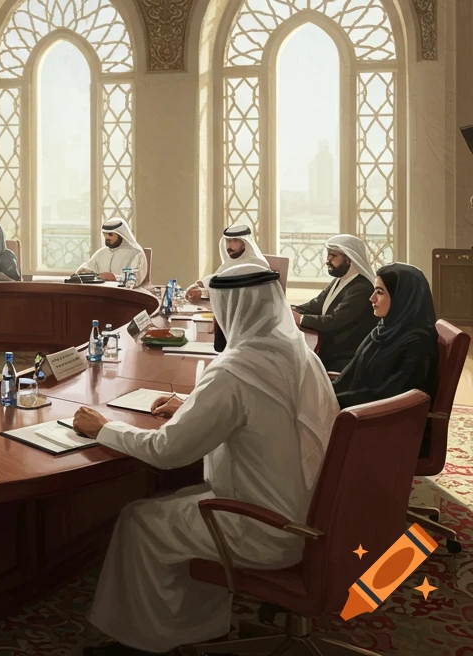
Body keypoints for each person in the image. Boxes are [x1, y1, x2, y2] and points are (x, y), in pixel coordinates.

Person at [71, 263, 337, 656]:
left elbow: (166, 452)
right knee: (184, 505)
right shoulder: (300, 354)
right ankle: (202, 623)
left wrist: (103, 428)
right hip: (315, 515)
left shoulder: (232, 371)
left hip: (269, 527)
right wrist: (192, 406)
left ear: (230, 311)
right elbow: (259, 416)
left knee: (140, 520)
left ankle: (143, 643)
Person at [333, 263, 439, 454]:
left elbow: (393, 395)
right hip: (363, 415)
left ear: (402, 298)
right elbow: (350, 375)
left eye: (380, 292)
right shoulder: (384, 328)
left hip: (390, 428)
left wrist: (335, 402)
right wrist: (326, 393)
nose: (371, 298)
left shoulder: (418, 343)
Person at [292, 234, 377, 372]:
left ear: (349, 259)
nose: (327, 260)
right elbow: (316, 305)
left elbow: (334, 321)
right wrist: (290, 309)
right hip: (330, 351)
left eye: (333, 256)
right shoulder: (341, 280)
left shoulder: (362, 288)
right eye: (328, 255)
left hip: (345, 358)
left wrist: (300, 318)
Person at [186, 223, 269, 298]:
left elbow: (235, 292)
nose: (229, 246)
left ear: (245, 243)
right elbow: (216, 280)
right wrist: (199, 285)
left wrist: (202, 292)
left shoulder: (257, 265)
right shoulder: (230, 263)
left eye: (235, 240)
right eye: (227, 241)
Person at [77, 217, 148, 286]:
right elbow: (87, 268)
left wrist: (115, 277)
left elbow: (136, 279)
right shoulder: (101, 252)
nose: (107, 238)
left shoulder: (136, 253)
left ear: (121, 235)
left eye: (110, 235)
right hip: (101, 292)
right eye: (104, 234)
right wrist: (82, 273)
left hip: (126, 294)